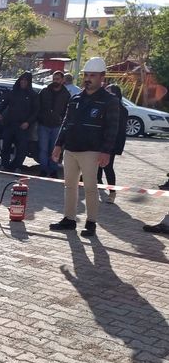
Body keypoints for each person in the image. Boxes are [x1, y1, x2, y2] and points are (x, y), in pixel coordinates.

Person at [50, 57, 120, 237]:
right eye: (86, 75)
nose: (88, 78)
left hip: (92, 150)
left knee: (90, 188)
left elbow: (113, 128)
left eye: (93, 75)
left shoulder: (109, 101)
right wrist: (58, 145)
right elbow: (67, 123)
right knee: (69, 186)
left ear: (102, 77)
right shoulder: (76, 98)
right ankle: (69, 219)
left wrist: (106, 151)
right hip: (71, 149)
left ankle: (91, 222)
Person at [0, 72, 38, 171]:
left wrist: (28, 122)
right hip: (9, 123)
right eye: (21, 80)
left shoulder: (33, 95)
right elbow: (4, 103)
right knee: (6, 145)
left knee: (21, 148)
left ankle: (17, 166)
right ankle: (4, 164)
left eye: (25, 81)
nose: (23, 82)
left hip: (23, 126)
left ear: (29, 82)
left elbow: (36, 112)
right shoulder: (13, 92)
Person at [36, 70, 71, 178]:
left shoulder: (66, 94)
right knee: (43, 149)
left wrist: (62, 121)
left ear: (62, 80)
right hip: (44, 125)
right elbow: (38, 106)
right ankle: (43, 170)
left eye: (58, 79)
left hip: (57, 126)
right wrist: (40, 118)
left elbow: (68, 110)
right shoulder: (44, 92)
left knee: (54, 149)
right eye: (54, 79)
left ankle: (53, 171)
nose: (55, 81)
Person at [97, 84, 128, 204]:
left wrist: (114, 146)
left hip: (111, 144)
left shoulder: (122, 110)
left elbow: (119, 131)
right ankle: (98, 185)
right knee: (97, 166)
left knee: (108, 167)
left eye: (109, 93)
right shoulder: (103, 106)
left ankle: (112, 192)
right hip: (99, 142)